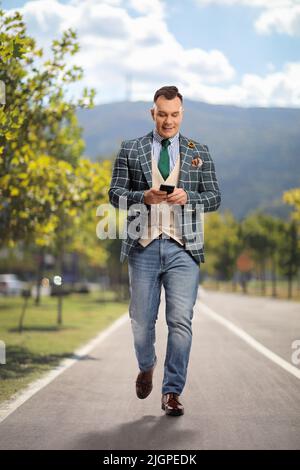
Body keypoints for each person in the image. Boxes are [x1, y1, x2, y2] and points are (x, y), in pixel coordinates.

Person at [109, 85, 221, 416]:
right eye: (162, 114)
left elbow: (214, 197)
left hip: (183, 251)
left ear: (181, 114)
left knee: (180, 322)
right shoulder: (131, 149)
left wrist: (191, 197)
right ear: (152, 113)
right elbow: (113, 194)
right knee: (141, 322)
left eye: (174, 115)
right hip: (142, 247)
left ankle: (172, 392)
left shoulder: (199, 151)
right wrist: (141, 196)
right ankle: (147, 364)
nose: (168, 121)